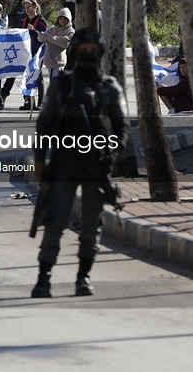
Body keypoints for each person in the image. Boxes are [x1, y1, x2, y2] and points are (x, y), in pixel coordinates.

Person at [31, 27, 127, 298]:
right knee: (55, 221)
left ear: (100, 55)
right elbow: (45, 125)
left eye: (92, 52)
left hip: (96, 167)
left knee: (91, 225)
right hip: (64, 163)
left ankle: (83, 277)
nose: (87, 56)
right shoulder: (62, 85)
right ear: (74, 53)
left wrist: (109, 154)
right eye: (82, 51)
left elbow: (122, 130)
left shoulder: (109, 88)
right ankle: (44, 278)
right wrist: (40, 160)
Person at [0, 0, 35, 103]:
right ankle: (3, 94)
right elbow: (10, 18)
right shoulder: (18, 6)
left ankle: (28, 98)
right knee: (13, 69)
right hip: (16, 40)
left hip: (26, 43)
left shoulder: (31, 7)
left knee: (27, 71)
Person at [20, 0, 48, 110]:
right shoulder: (23, 20)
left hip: (38, 52)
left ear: (35, 7)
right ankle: (28, 101)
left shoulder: (41, 21)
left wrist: (34, 31)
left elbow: (43, 36)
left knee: (38, 76)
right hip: (26, 52)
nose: (27, 10)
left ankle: (41, 102)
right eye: (25, 8)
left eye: (29, 7)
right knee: (26, 76)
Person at [38, 7, 74, 81]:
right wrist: (41, 35)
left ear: (69, 19)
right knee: (51, 87)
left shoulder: (70, 31)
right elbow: (41, 39)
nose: (62, 21)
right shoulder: (53, 28)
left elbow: (64, 43)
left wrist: (48, 37)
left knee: (56, 87)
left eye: (65, 19)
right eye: (60, 19)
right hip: (48, 62)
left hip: (58, 63)